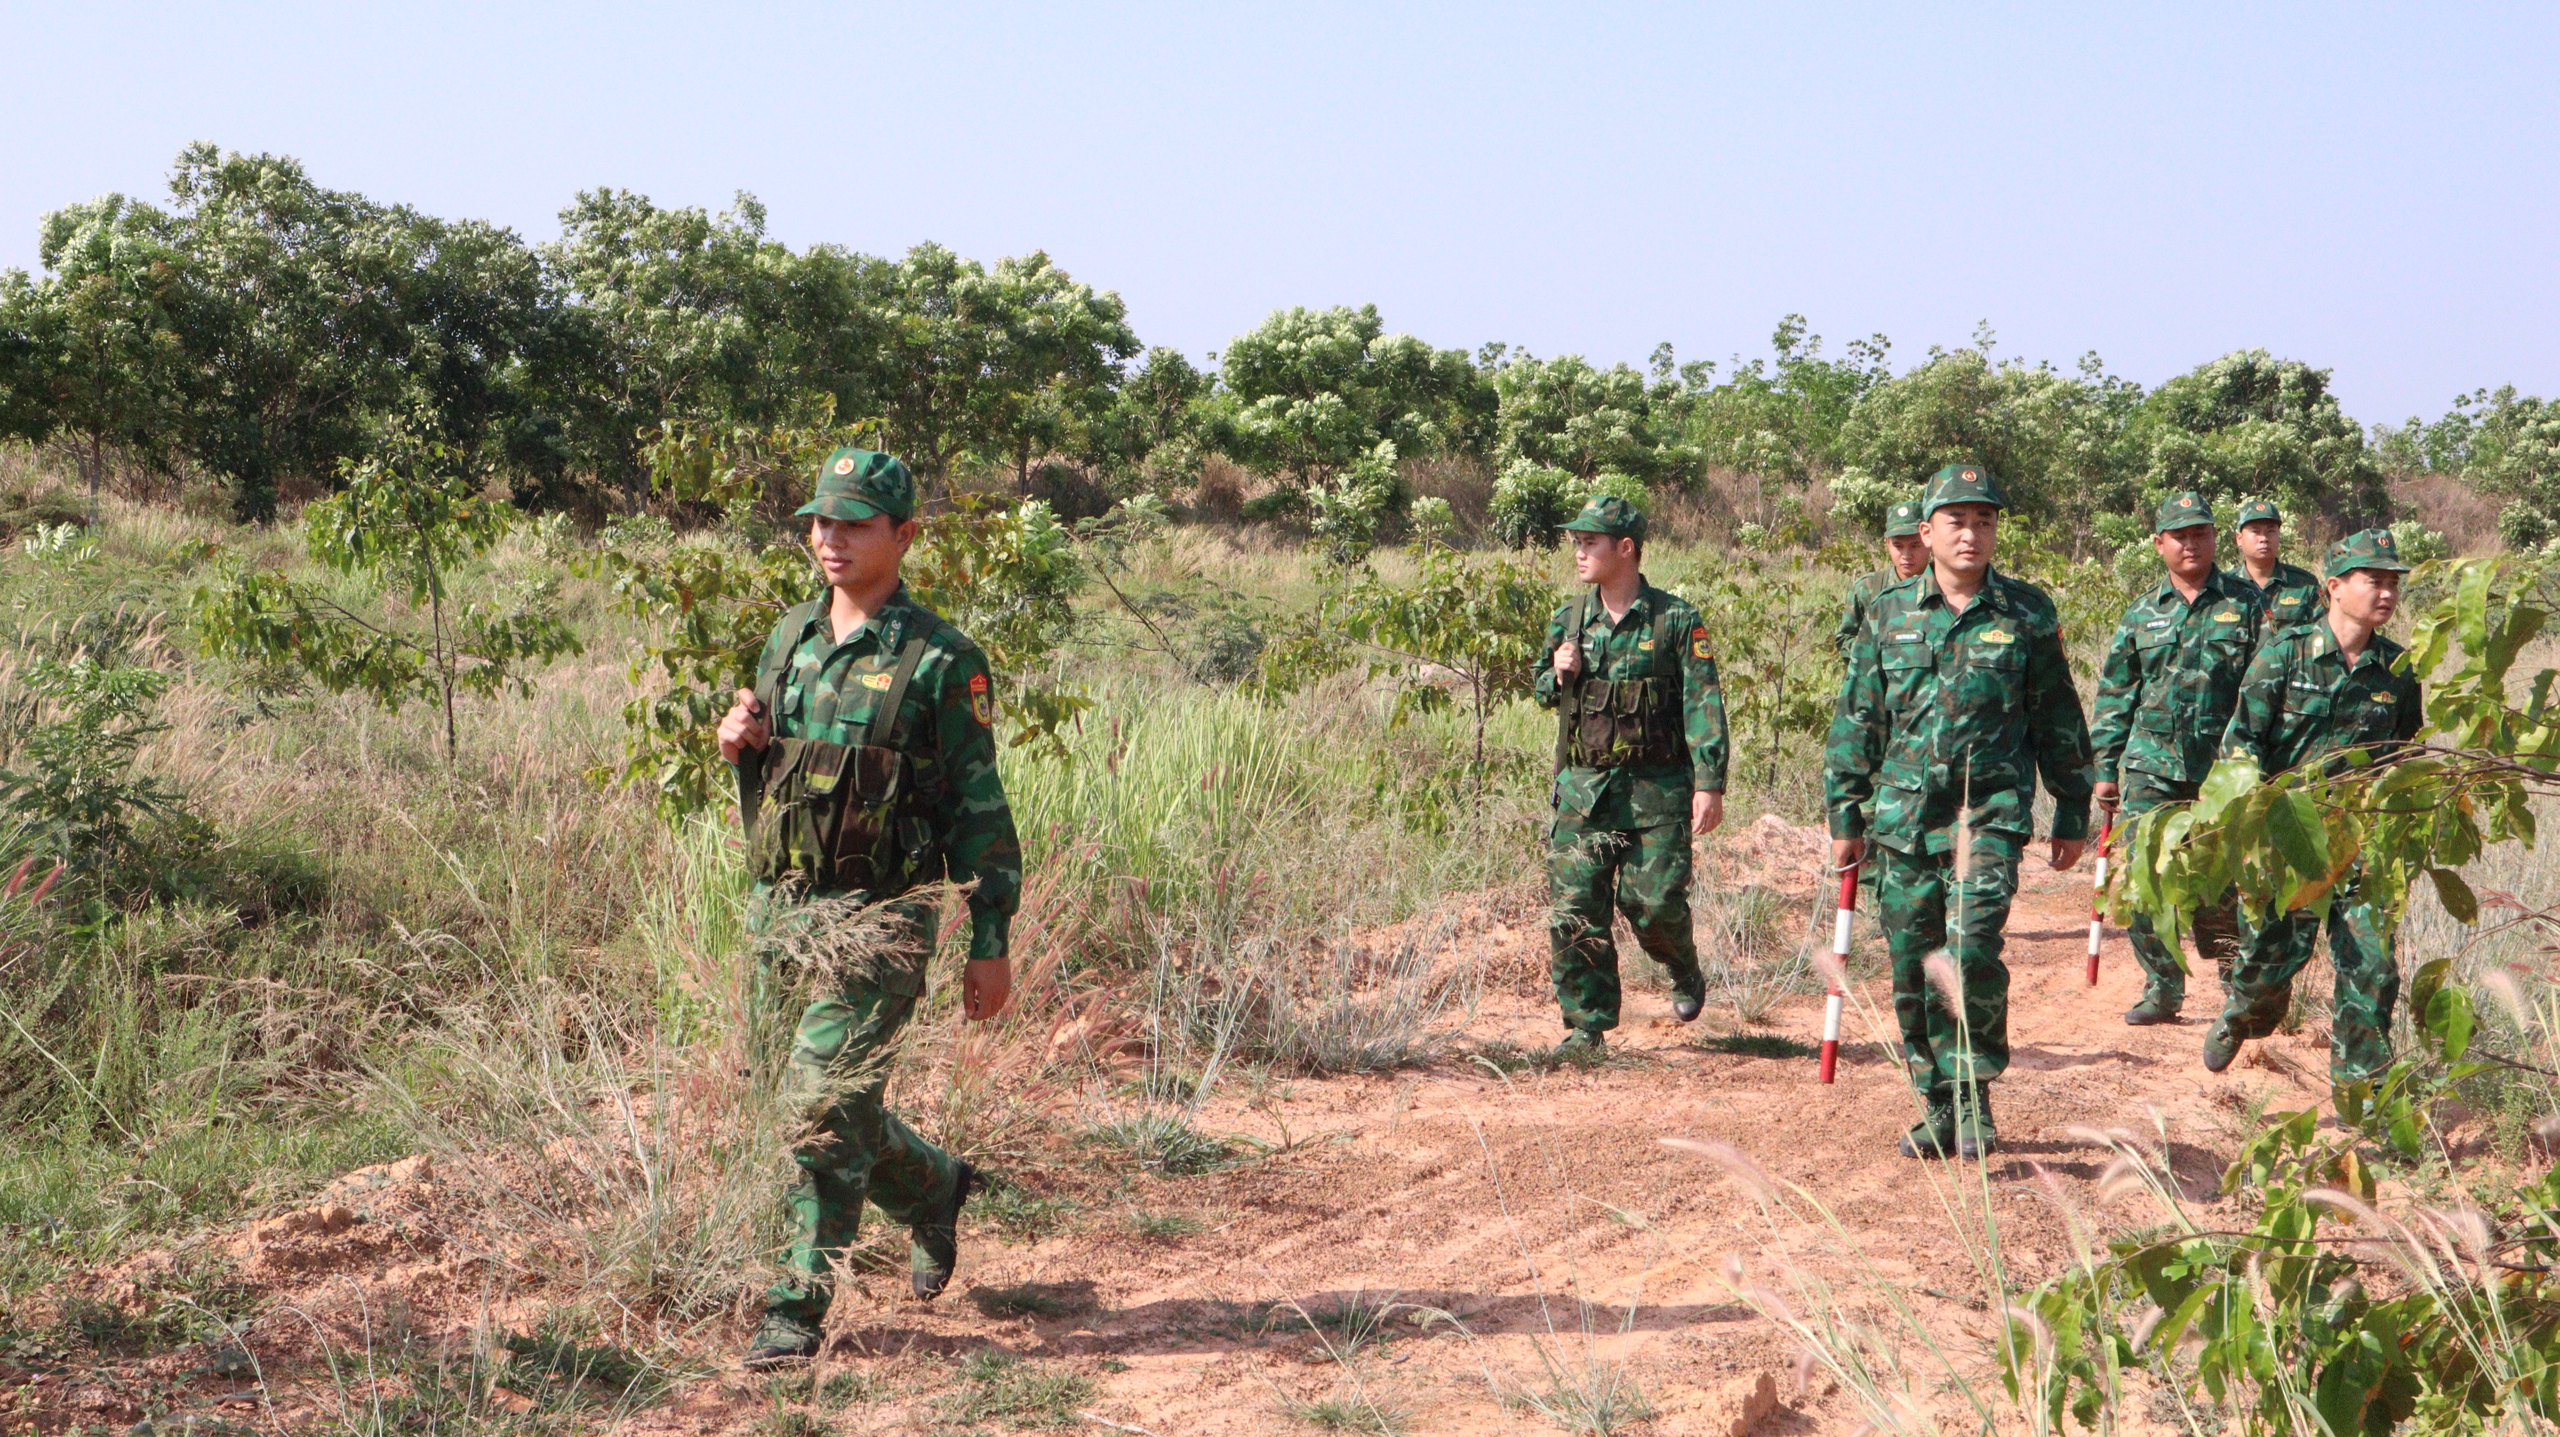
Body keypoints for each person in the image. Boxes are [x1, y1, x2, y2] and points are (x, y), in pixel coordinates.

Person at [717, 449, 1024, 1370]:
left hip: (883, 920)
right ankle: (934, 1186)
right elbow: (774, 786)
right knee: (815, 1101)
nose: (829, 538)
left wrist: (990, 940)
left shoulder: (939, 659)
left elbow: (980, 809)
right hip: (788, 912)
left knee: (820, 1102)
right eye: (820, 521)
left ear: (903, 535)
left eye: (852, 522)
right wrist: (739, 745)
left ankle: (794, 1311)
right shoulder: (791, 638)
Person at [1824, 463, 2094, 1159]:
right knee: (1913, 963)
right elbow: (1858, 720)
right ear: (1927, 532)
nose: (1972, 534)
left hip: (1991, 815)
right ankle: (1935, 1102)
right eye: (1957, 521)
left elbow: (2058, 715)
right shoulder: (1885, 614)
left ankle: (1974, 1094)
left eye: (1985, 521)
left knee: (1971, 951)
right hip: (1903, 818)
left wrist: (2071, 807)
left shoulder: (2027, 612)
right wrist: (1843, 816)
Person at [2204, 529, 2423, 1080]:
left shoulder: (2398, 671)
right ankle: (2241, 1012)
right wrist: (2253, 820)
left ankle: (2363, 1096)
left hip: (2359, 843)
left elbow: (2402, 756)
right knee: (2268, 967)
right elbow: (2241, 745)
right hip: (2290, 840)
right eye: (2374, 580)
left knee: (2372, 969)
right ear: (2334, 587)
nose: (2387, 593)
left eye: (2393, 582)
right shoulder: (2284, 654)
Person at [1533, 495, 1730, 1054]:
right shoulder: (1570, 619)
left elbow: (1703, 703)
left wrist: (1709, 783)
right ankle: (1586, 1025)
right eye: (1576, 542)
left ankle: (1684, 967)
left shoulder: (1676, 620)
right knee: (1575, 909)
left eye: (1589, 542)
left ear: (1626, 549)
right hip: (1583, 793)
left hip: (1658, 793)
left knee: (1655, 904)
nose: (1579, 551)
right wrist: (1556, 672)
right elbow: (1544, 690)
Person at [2086, 493, 2265, 1026]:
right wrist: (2104, 767)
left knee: (2222, 882)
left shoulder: (2248, 605)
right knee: (2145, 880)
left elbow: (2265, 689)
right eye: (2180, 535)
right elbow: (2117, 693)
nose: (2191, 544)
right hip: (2151, 769)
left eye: (2201, 533)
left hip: (2222, 773)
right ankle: (2162, 988)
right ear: (2159, 543)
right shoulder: (2142, 612)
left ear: (2215, 538)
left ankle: (2235, 987)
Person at [1833, 499, 1930, 659]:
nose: (1906, 555)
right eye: (1898, 546)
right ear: (1887, 544)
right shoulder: (1869, 588)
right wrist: (1879, 652)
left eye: (1915, 545)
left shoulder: (1946, 587)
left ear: (1929, 540)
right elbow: (1844, 639)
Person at [2231, 498, 2323, 633]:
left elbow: (2322, 635)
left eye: (2270, 531)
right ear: (2239, 539)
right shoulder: (2223, 588)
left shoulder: (2305, 585)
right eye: (2255, 531)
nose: (2263, 538)